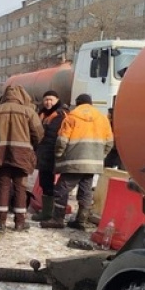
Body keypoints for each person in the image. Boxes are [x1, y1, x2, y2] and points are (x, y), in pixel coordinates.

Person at [41, 93, 113, 229]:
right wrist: (99, 156)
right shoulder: (103, 119)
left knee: (61, 190)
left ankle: (57, 219)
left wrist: (59, 155)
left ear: (78, 103)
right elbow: (109, 142)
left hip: (73, 162)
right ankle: (81, 220)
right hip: (93, 163)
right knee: (85, 191)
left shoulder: (72, 117)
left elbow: (62, 140)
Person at [0, 85, 44, 232]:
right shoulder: (28, 112)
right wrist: (31, 144)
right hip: (22, 155)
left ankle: (0, 221)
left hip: (0, 154)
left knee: (3, 186)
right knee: (20, 187)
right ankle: (19, 222)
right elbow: (39, 134)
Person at [31, 90, 69, 223]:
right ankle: (47, 211)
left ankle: (49, 212)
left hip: (52, 153)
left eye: (51, 99)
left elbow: (52, 135)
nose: (48, 102)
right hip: (44, 153)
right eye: (46, 99)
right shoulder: (42, 113)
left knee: (49, 183)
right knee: (44, 182)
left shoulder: (59, 114)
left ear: (57, 100)